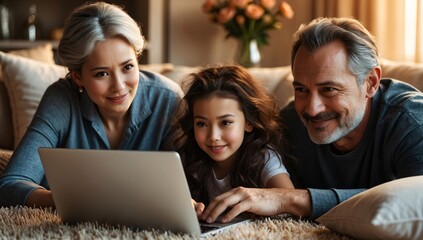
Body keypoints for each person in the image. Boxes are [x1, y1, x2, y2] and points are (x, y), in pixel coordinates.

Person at [199, 17, 423, 224]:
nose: (312, 109)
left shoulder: (410, 121)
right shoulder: (290, 122)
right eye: (301, 89)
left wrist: (292, 200)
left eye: (329, 89)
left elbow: (417, 201)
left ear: (371, 83)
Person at [0, 2, 182, 208]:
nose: (119, 86)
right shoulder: (61, 100)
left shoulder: (168, 99)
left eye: (128, 67)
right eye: (101, 74)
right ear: (77, 77)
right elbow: (9, 185)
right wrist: (65, 199)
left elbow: (204, 177)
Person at [173, 65, 294, 215]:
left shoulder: (263, 158)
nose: (213, 136)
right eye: (202, 124)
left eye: (225, 123)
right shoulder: (188, 157)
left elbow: (289, 199)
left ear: (249, 123)